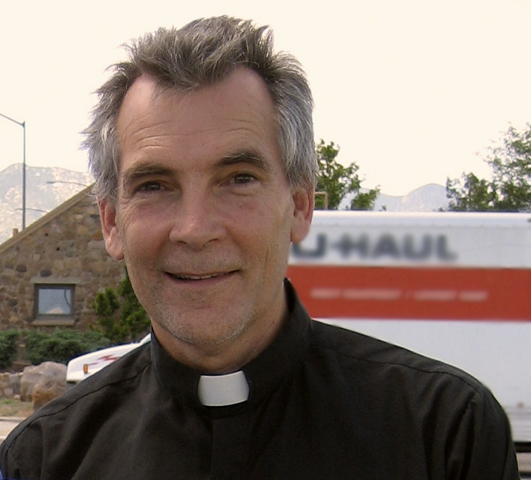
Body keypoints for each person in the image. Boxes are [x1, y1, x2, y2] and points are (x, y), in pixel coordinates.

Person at [0, 16, 519, 480]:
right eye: (155, 185)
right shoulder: (45, 460)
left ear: (299, 205)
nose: (195, 229)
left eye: (238, 179)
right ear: (112, 221)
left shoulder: (445, 434)